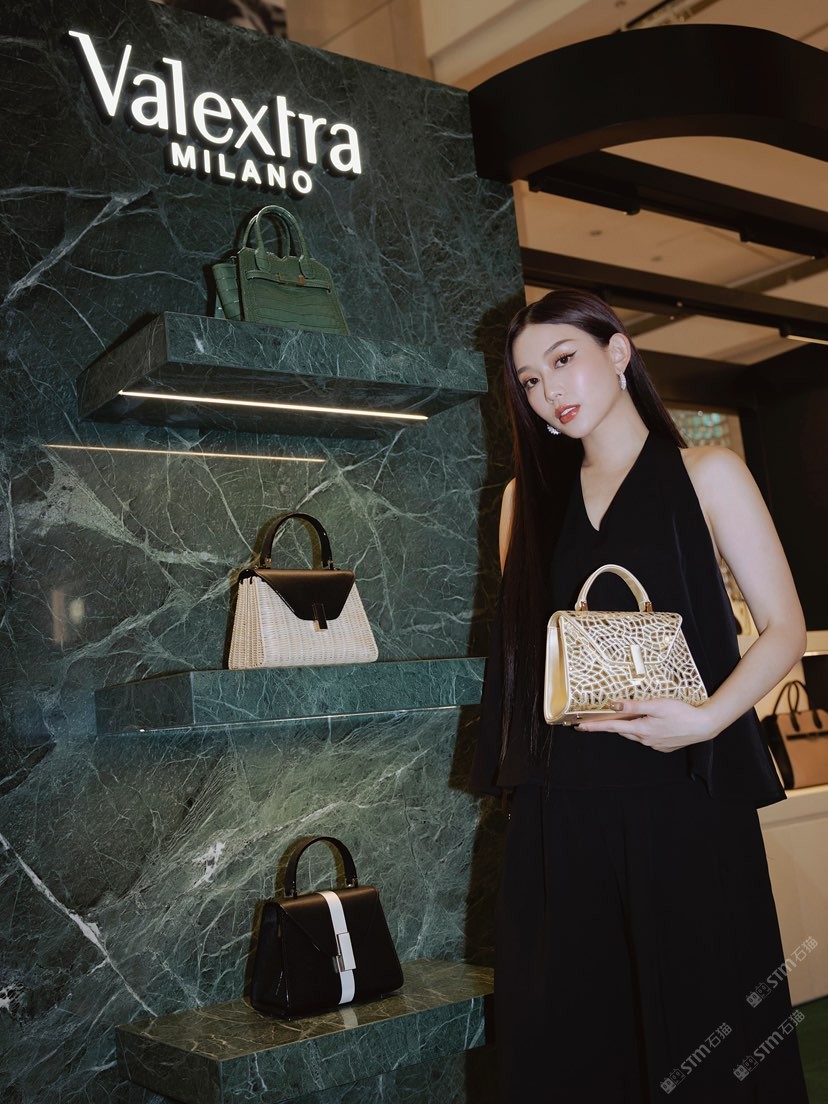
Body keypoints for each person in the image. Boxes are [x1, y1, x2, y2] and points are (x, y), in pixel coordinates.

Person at [470, 289, 811, 1103]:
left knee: (706, 1025)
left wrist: (706, 719)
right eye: (529, 380)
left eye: (563, 359)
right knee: (571, 1040)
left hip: (684, 795)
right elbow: (526, 657)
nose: (549, 390)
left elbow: (785, 627)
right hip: (562, 804)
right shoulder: (524, 501)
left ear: (618, 352)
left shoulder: (708, 473)